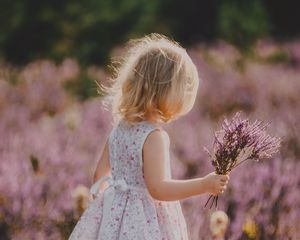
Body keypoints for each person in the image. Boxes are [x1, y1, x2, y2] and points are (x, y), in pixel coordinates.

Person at [68, 33, 230, 240]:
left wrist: (115, 205)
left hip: (114, 218)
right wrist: (203, 185)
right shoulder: (154, 136)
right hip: (145, 223)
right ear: (167, 92)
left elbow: (98, 176)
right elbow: (158, 188)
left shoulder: (119, 129)